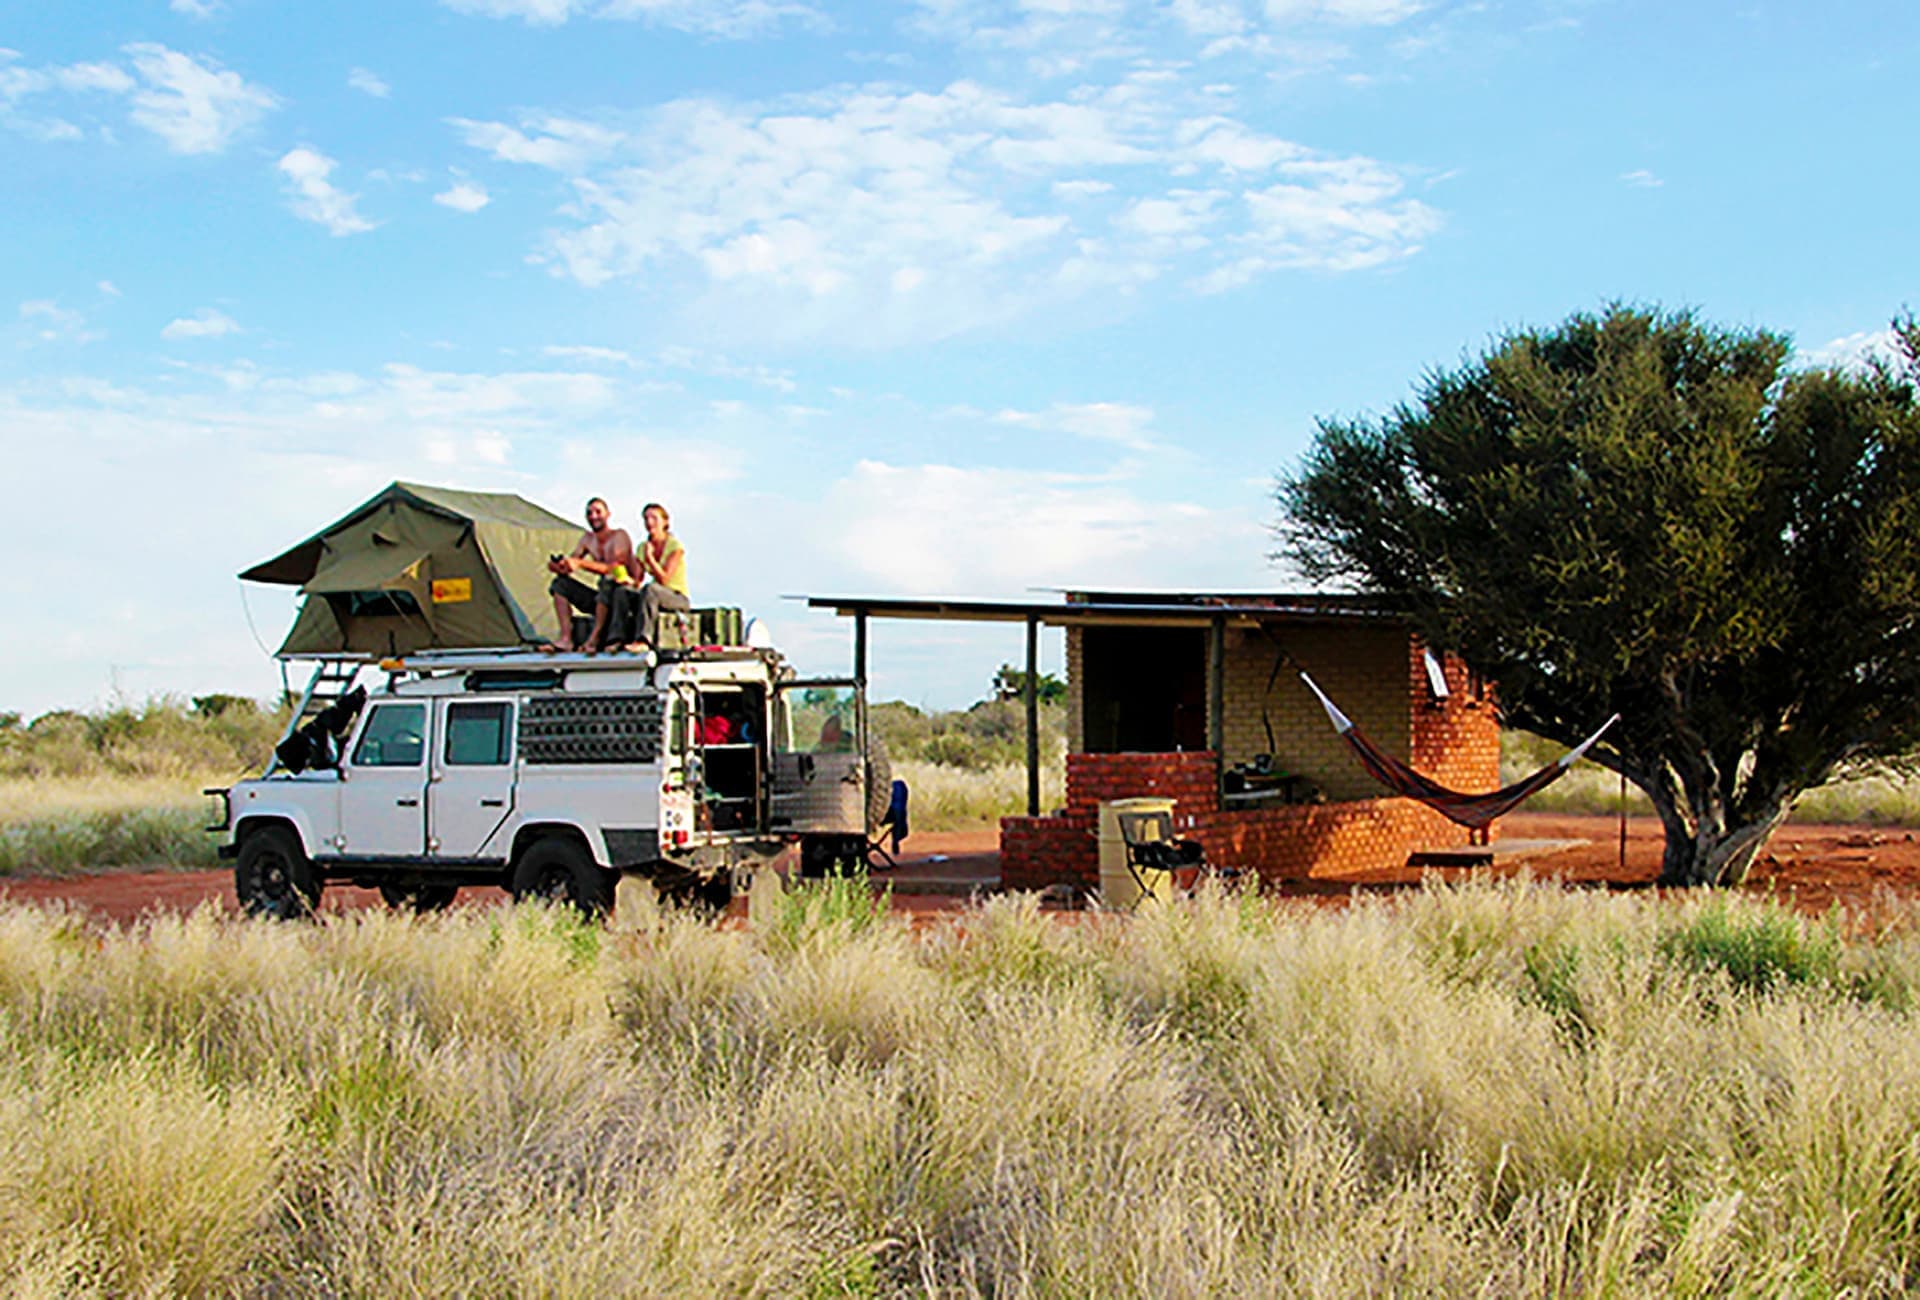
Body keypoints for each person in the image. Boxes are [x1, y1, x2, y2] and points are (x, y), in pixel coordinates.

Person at [544, 498, 634, 652]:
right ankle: (566, 638)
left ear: (608, 514)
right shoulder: (587, 539)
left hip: (621, 598)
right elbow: (573, 561)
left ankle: (595, 638)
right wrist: (560, 566)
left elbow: (616, 569)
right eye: (589, 513)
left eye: (598, 512)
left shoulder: (619, 536)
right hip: (600, 600)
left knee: (607, 582)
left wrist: (581, 564)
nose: (593, 516)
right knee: (560, 584)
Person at [618, 502, 692, 653]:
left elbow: (664, 579)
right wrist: (625, 579)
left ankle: (644, 640)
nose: (649, 522)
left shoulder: (674, 546)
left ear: (665, 522)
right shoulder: (642, 546)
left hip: (676, 596)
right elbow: (638, 580)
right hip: (653, 595)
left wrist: (650, 559)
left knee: (651, 590)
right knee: (622, 592)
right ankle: (617, 638)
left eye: (654, 518)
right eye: (646, 519)